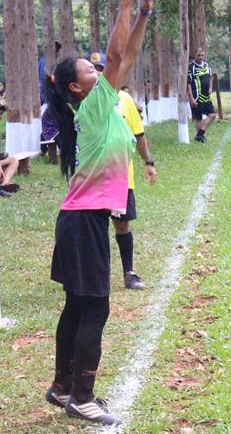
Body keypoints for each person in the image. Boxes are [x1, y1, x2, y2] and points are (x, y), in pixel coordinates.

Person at [43, 0, 162, 425]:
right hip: (85, 220)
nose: (101, 70)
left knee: (78, 304)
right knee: (96, 307)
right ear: (78, 87)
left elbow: (124, 57)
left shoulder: (109, 104)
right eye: (90, 70)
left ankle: (61, 386)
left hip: (80, 219)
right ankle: (82, 396)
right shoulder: (92, 108)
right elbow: (116, 56)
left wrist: (145, 12)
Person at [88, 51, 157, 291]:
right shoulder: (85, 101)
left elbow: (138, 134)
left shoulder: (124, 99)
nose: (98, 73)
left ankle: (129, 272)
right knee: (94, 228)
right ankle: (95, 275)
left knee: (122, 224)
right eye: (93, 68)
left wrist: (148, 162)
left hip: (120, 178)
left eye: (101, 68)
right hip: (92, 178)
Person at [187, 48, 216, 142]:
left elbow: (211, 77)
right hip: (197, 96)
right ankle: (200, 137)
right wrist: (191, 98)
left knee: (212, 115)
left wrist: (211, 87)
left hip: (206, 96)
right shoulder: (191, 67)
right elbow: (188, 84)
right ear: (195, 56)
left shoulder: (207, 65)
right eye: (199, 55)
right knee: (198, 118)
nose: (201, 57)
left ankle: (200, 134)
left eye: (202, 55)